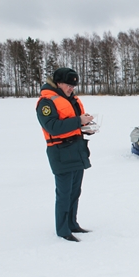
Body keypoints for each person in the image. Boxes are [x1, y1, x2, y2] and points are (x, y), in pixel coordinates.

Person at [36, 68, 94, 242]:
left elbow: (74, 124)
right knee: (64, 192)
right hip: (60, 152)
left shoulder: (71, 100)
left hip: (76, 149)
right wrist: (78, 121)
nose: (71, 89)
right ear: (58, 83)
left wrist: (86, 128)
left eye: (73, 85)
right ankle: (62, 230)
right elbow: (52, 127)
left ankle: (72, 223)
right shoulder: (46, 103)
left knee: (75, 191)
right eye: (69, 85)